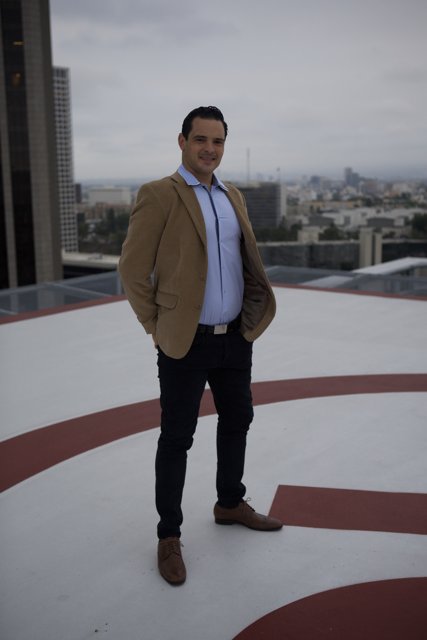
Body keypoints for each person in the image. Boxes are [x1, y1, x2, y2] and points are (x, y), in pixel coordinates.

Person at [119, 106, 282, 586]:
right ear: (182, 141)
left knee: (238, 422)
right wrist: (157, 324)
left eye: (218, 141)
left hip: (234, 337)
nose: (210, 149)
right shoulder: (159, 195)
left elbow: (243, 262)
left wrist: (248, 317)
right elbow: (132, 269)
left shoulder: (233, 196)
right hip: (184, 343)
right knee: (177, 439)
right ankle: (169, 536)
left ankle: (229, 502)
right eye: (200, 140)